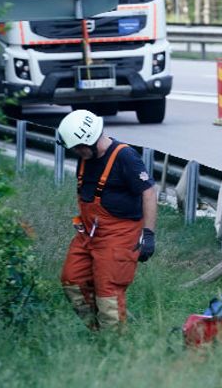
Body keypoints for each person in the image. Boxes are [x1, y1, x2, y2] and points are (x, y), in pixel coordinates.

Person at [55, 109, 157, 331]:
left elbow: (148, 193)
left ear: (87, 142)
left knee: (108, 291)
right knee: (72, 280)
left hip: (119, 235)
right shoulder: (86, 157)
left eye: (76, 148)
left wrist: (148, 235)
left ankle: (114, 346)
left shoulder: (125, 157)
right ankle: (97, 331)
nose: (75, 153)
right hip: (88, 233)